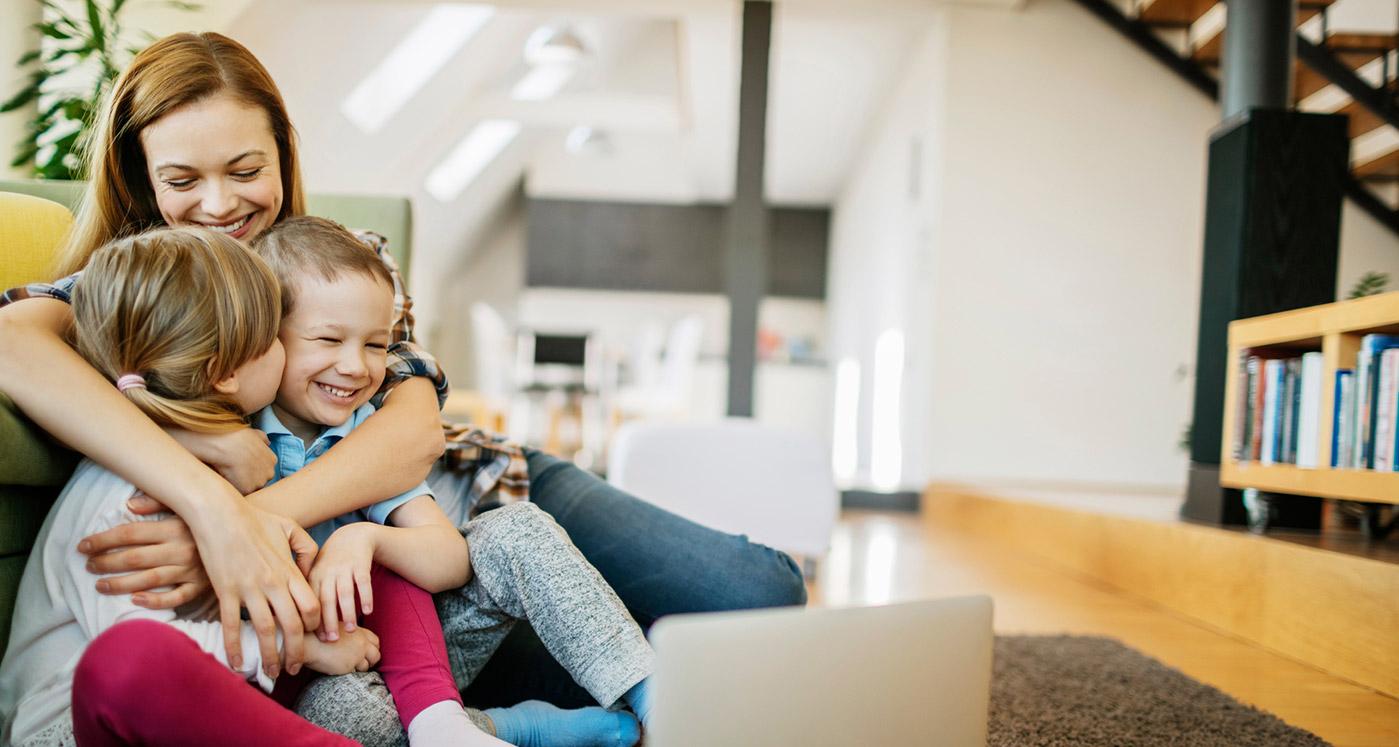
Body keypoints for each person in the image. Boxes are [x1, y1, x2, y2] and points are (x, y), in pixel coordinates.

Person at [0, 30, 804, 740]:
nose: (218, 204)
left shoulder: (346, 251)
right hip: (392, 571)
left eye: (246, 168)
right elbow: (12, 341)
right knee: (645, 663)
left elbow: (412, 431)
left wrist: (246, 520)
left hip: (478, 479)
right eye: (182, 179)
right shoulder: (148, 286)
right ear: (144, 181)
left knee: (755, 588)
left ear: (283, 152)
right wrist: (206, 502)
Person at [0, 228, 375, 746]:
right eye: (272, 338)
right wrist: (306, 647)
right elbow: (152, 649)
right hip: (67, 727)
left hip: (176, 708)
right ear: (223, 373)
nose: (283, 353)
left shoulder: (200, 456)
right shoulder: (128, 495)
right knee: (139, 655)